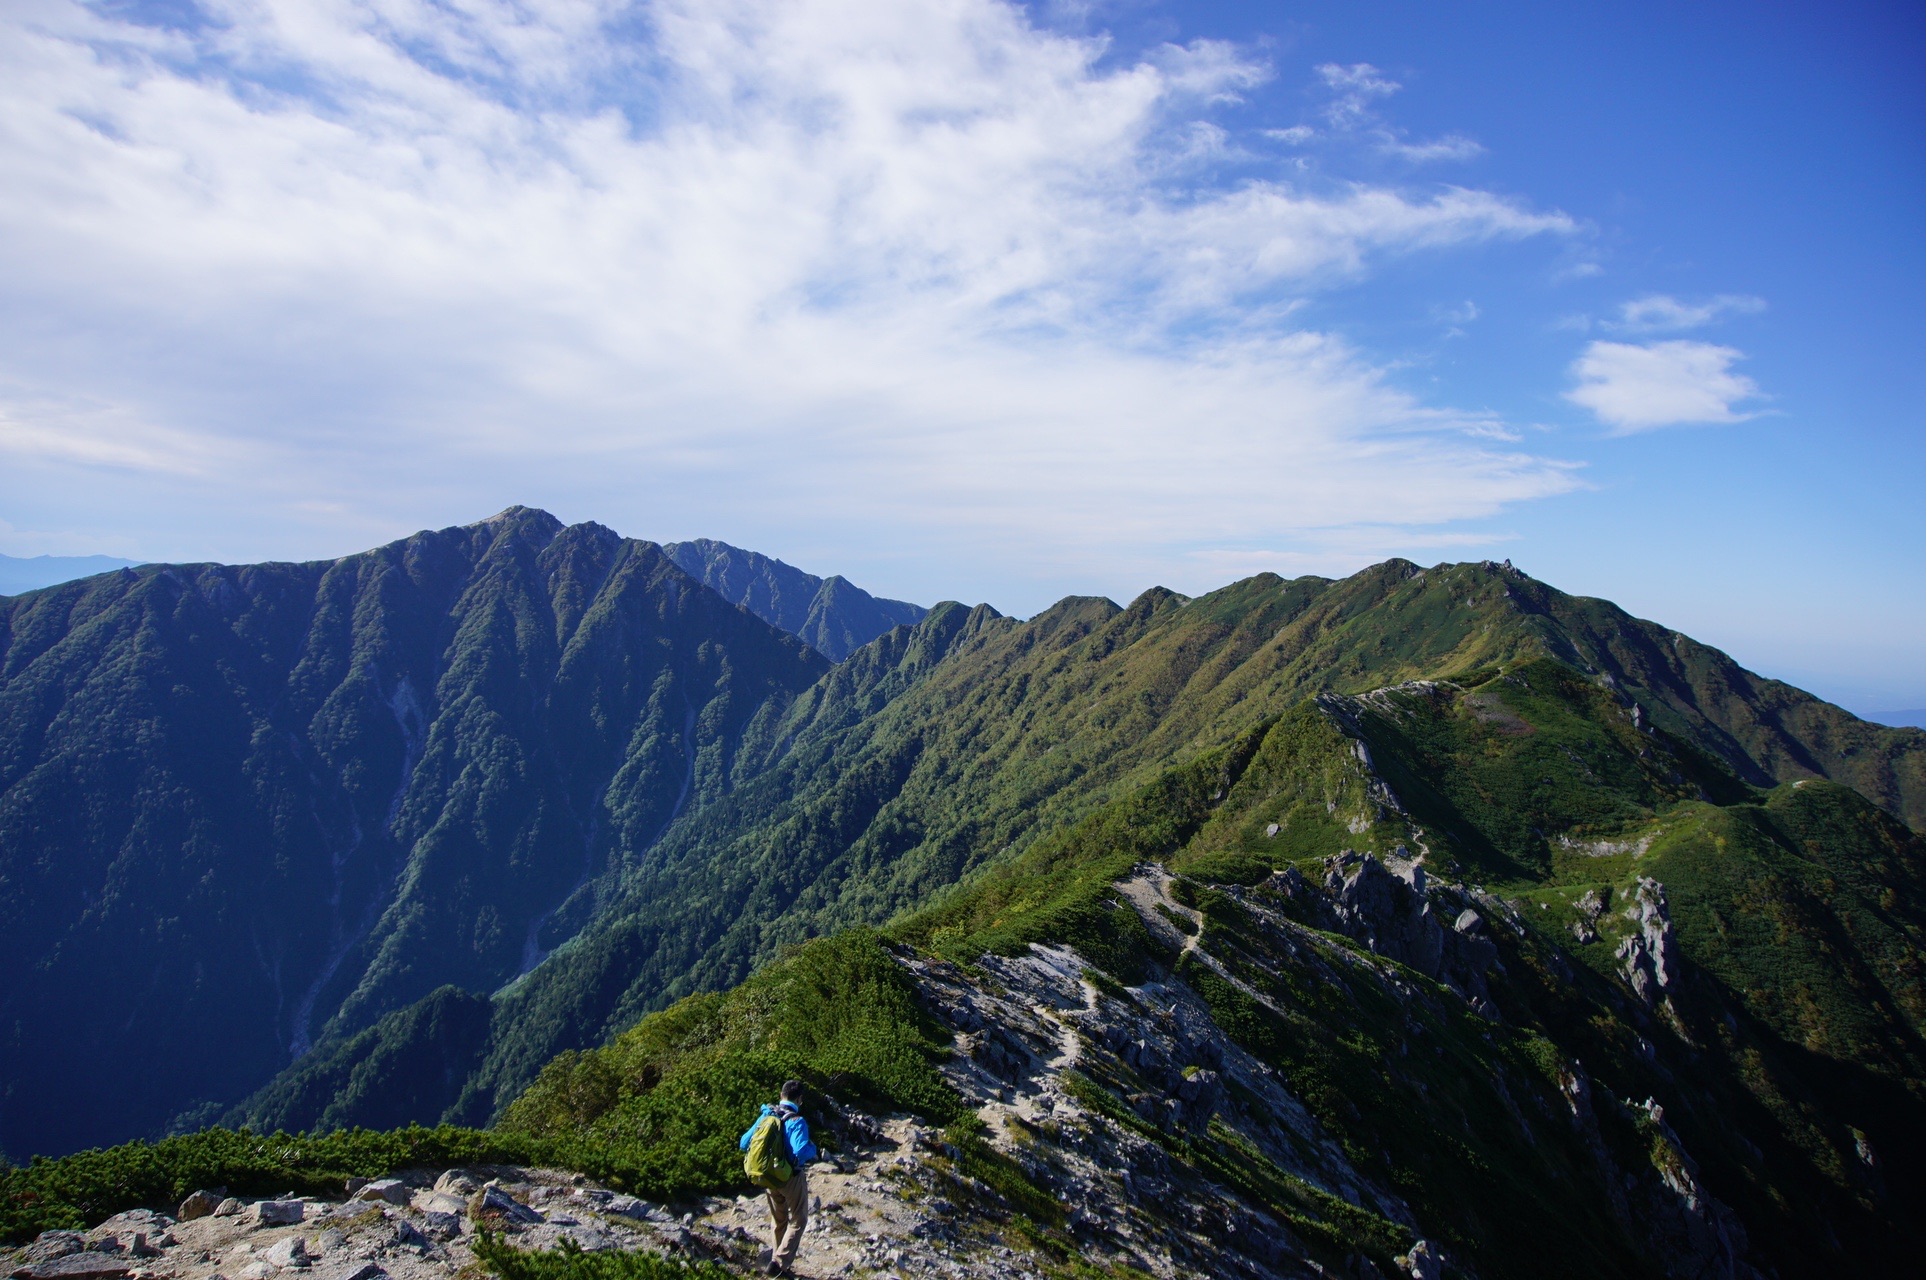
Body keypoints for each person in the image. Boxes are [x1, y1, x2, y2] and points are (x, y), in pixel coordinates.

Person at [739, 1079, 820, 1276]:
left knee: (779, 1219)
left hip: (768, 1177)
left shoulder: (767, 1116)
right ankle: (778, 1263)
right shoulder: (796, 1121)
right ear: (799, 1099)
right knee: (799, 1219)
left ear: (781, 1095)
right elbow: (800, 1150)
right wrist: (813, 1149)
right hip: (789, 1177)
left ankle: (777, 1261)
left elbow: (743, 1143)